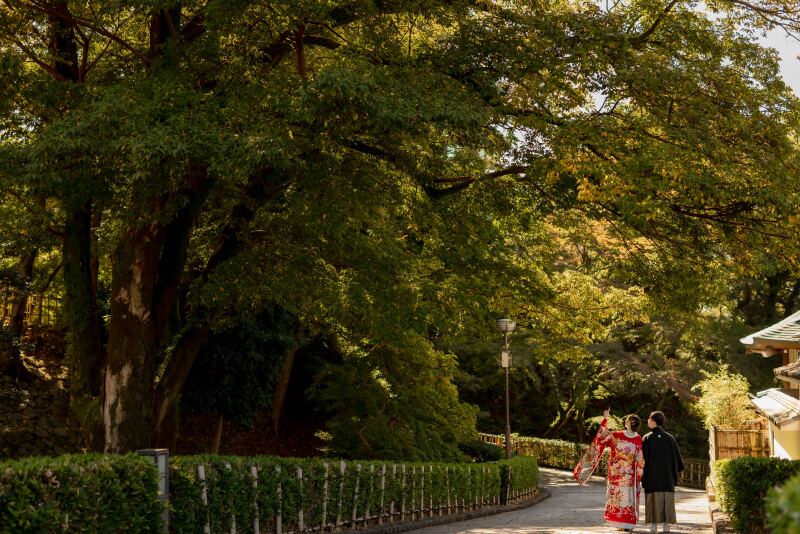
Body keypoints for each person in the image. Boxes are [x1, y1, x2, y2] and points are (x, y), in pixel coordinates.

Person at [573, 408, 644, 532]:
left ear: (628, 423)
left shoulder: (617, 435)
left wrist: (605, 418)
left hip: (617, 473)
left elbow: (601, 437)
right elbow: (640, 460)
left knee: (617, 497)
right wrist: (639, 475)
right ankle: (628, 524)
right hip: (629, 476)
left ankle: (619, 523)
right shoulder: (638, 439)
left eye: (626, 420)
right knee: (628, 498)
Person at [642, 411, 685, 533]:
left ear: (654, 421)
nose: (648, 421)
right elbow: (678, 460)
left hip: (652, 476)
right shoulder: (670, 438)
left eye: (649, 419)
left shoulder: (647, 437)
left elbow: (642, 459)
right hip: (668, 477)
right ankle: (666, 525)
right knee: (667, 499)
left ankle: (654, 525)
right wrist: (674, 474)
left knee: (653, 499)